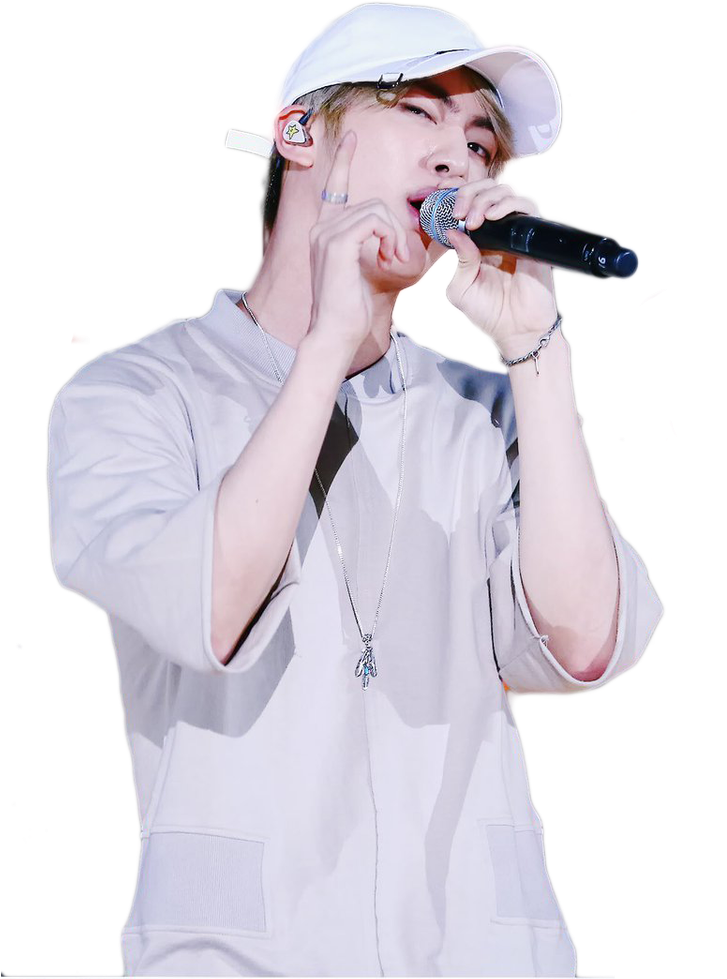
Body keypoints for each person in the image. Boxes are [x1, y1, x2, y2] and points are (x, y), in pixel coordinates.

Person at [48, 5, 665, 976]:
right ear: (297, 131)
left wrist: (533, 350)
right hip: (244, 957)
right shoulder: (140, 393)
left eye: (480, 143)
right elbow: (202, 610)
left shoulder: (481, 413)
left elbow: (584, 641)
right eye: (419, 112)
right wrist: (326, 347)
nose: (458, 158)